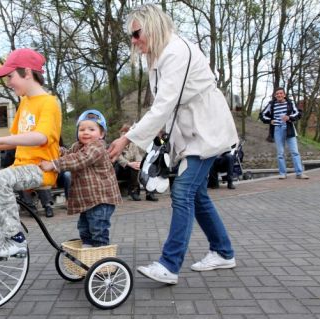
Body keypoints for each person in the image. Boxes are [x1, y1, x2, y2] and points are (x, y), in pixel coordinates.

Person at [108, 4, 238, 285]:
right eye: (131, 36)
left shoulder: (176, 53)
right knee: (197, 195)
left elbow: (164, 105)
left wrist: (128, 138)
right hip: (192, 132)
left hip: (205, 130)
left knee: (182, 192)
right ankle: (223, 251)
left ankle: (169, 264)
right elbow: (163, 106)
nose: (133, 40)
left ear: (153, 26)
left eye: (136, 33)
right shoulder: (158, 56)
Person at [0, 48, 61, 258]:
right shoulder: (24, 102)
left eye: (10, 76)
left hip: (40, 169)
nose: (8, 82)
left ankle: (15, 238)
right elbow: (17, 138)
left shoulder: (49, 103)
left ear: (26, 72)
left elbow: (40, 137)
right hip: (19, 168)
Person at [40, 110, 122, 247]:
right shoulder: (77, 146)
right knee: (83, 228)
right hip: (88, 200)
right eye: (82, 129)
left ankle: (101, 258)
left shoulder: (97, 148)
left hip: (101, 199)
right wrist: (55, 150)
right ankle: (87, 252)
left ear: (101, 134)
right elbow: (68, 154)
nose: (86, 132)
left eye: (91, 129)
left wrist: (54, 164)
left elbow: (80, 159)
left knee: (98, 229)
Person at [260, 87, 309, 180]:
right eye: (277, 94)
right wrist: (270, 120)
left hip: (289, 129)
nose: (279, 95)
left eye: (281, 93)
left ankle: (299, 173)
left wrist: (289, 117)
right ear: (275, 96)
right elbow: (262, 115)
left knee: (295, 152)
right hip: (277, 130)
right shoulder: (272, 104)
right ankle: (282, 173)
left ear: (284, 95)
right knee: (280, 153)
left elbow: (298, 113)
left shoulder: (290, 103)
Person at [115, 124, 158, 201]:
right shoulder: (117, 144)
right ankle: (133, 191)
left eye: (128, 133)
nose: (126, 135)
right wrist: (129, 164)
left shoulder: (133, 144)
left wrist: (139, 163)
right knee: (134, 167)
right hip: (121, 168)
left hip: (132, 168)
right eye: (124, 133)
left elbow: (137, 155)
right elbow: (119, 158)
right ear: (121, 133)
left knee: (146, 168)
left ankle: (149, 192)